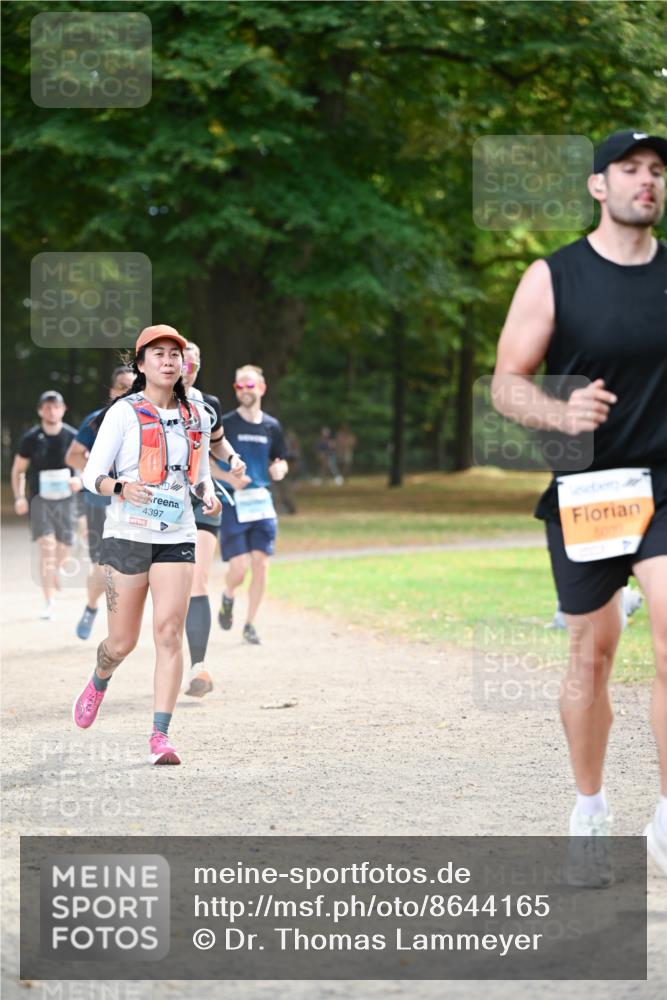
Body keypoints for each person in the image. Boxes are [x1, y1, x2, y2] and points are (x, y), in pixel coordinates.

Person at [492, 130, 667, 880]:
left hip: (664, 483)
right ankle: (589, 810)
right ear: (599, 185)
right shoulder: (553, 276)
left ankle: (666, 820)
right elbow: (507, 383)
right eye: (629, 169)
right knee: (591, 655)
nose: (646, 180)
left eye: (656, 170)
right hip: (590, 489)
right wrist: (559, 413)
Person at [72, 325, 221, 765]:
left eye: (175, 354)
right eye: (158, 354)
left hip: (177, 534)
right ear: (141, 364)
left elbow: (199, 473)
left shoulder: (198, 414)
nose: (169, 361)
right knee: (121, 643)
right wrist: (121, 487)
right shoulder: (123, 413)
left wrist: (207, 492)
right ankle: (100, 678)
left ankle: (161, 736)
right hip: (127, 536)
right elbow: (91, 475)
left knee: (169, 633)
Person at [180, 341, 246, 696]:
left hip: (202, 498)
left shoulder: (209, 404)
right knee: (165, 586)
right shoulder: (150, 402)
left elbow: (218, 442)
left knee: (198, 579)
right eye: (182, 363)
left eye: (192, 365)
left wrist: (232, 459)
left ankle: (199, 667)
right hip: (160, 503)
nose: (186, 370)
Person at [216, 364, 288, 645]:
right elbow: (206, 461)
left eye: (250, 385)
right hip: (233, 503)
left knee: (261, 563)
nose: (244, 390)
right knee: (238, 569)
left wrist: (280, 469)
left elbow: (280, 459)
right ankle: (228, 594)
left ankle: (250, 624)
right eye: (240, 386)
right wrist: (228, 478)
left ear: (262, 388)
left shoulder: (272, 426)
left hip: (261, 502)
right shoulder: (226, 423)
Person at [65, 366, 134, 640]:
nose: (128, 392)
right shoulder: (96, 419)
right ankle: (92, 607)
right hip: (100, 502)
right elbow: (73, 456)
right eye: (122, 386)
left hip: (135, 502)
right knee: (103, 565)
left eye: (133, 387)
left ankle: (124, 624)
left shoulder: (148, 419)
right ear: (112, 391)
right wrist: (101, 477)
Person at [11, 390, 82, 620]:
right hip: (39, 501)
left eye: (56, 406)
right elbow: (18, 470)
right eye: (47, 407)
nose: (52, 411)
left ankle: (57, 571)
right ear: (40, 411)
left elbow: (87, 465)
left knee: (64, 546)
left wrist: (79, 480)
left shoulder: (73, 436)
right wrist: (19, 497)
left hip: (66, 501)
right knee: (47, 546)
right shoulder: (31, 438)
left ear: (63, 409)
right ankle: (49, 601)